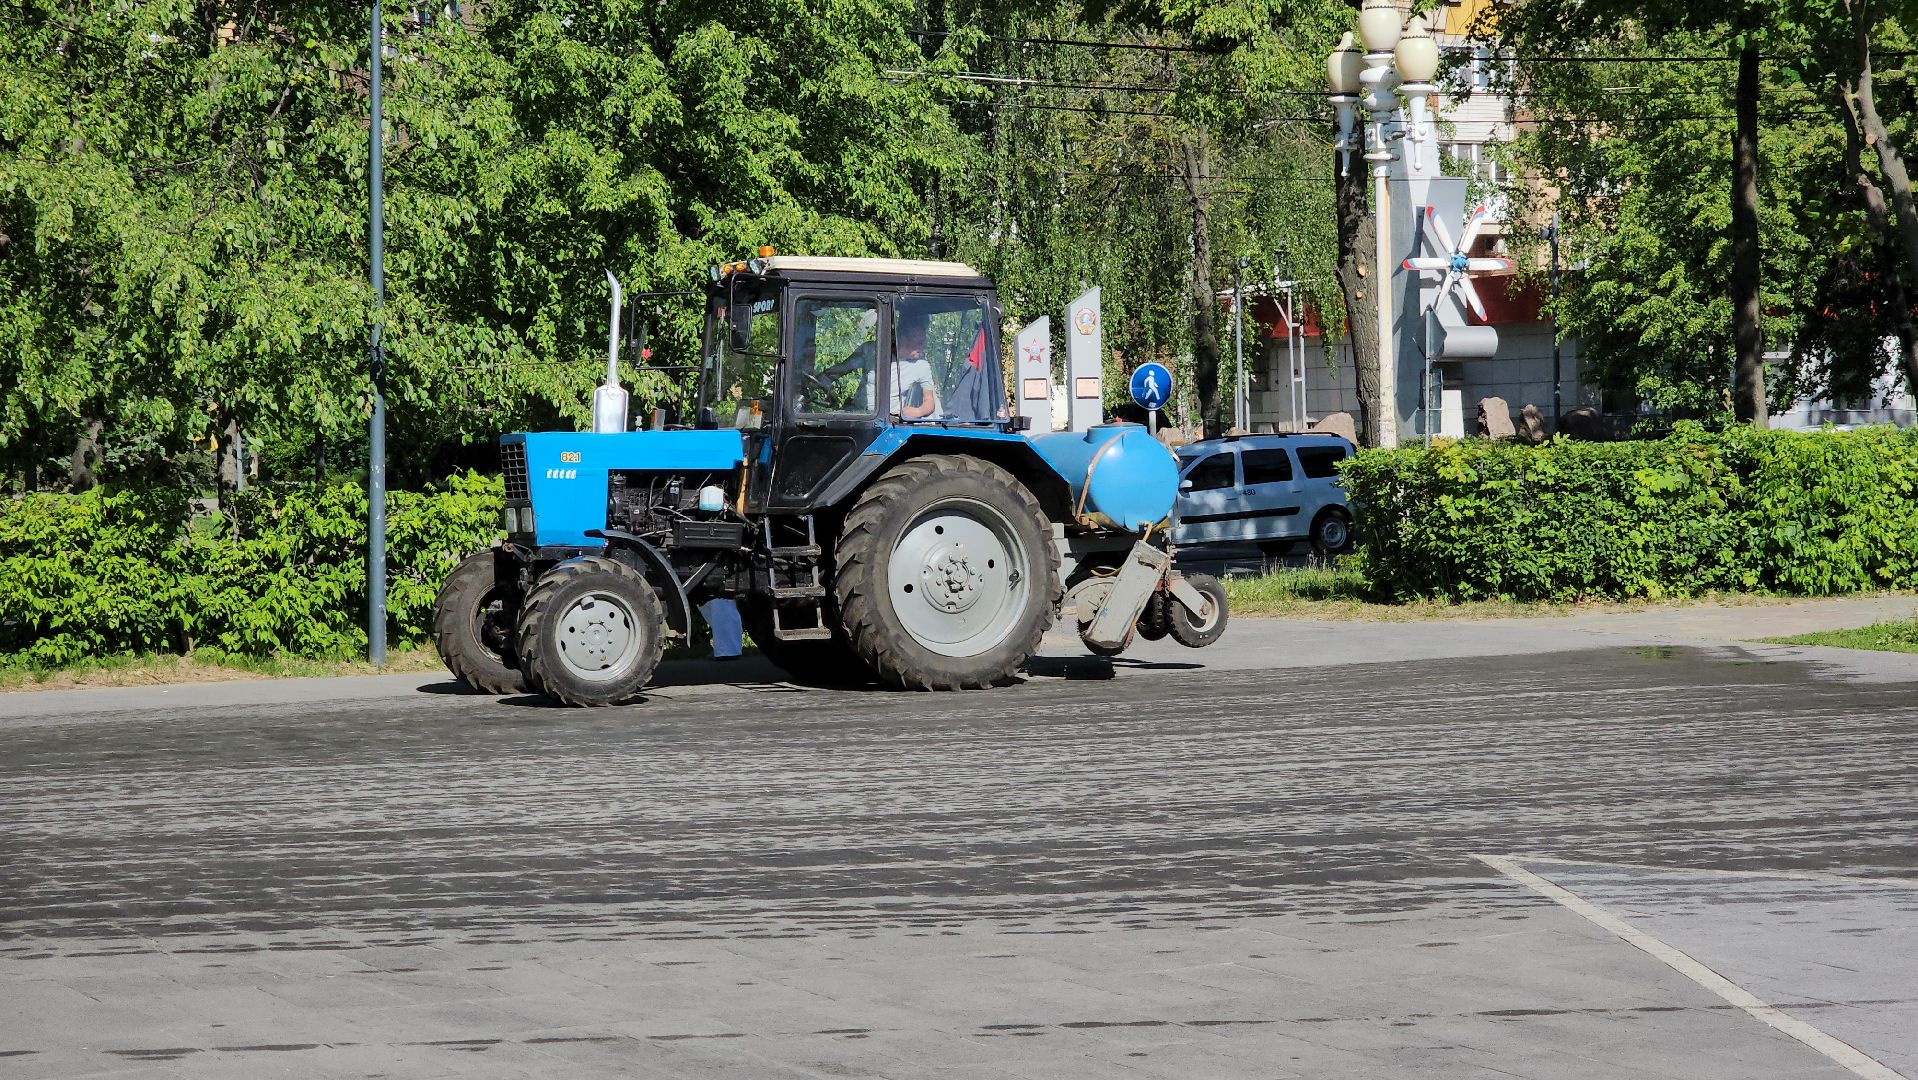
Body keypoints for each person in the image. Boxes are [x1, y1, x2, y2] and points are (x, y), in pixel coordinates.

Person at [892, 318, 940, 420]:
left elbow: (929, 401)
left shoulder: (921, 366)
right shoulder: (873, 351)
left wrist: (918, 411)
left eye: (923, 343)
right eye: (919, 343)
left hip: (891, 420)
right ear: (904, 340)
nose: (922, 348)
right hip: (858, 415)